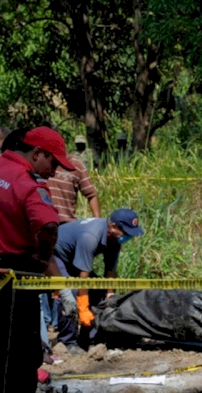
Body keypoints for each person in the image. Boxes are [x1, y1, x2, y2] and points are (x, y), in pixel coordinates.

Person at [0, 126, 77, 392]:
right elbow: (48, 226)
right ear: (37, 153)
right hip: (15, 282)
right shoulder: (28, 184)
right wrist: (45, 261)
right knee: (22, 357)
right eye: (53, 163)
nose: (54, 172)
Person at [54, 209, 145, 354]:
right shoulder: (90, 237)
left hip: (75, 256)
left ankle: (88, 339)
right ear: (113, 227)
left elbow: (111, 270)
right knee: (69, 294)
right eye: (126, 232)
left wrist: (110, 296)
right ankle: (68, 342)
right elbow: (83, 278)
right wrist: (83, 309)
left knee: (99, 292)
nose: (128, 237)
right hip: (57, 255)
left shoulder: (114, 240)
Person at [47, 145, 101, 224]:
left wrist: (98, 222)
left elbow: (91, 194)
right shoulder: (43, 163)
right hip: (45, 223)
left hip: (66, 223)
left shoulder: (76, 165)